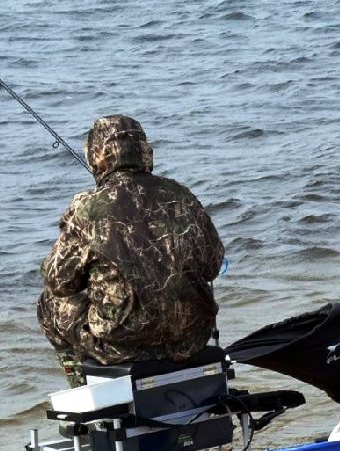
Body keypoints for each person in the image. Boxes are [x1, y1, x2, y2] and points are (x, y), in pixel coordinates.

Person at [37, 114, 224, 387]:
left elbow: (59, 282)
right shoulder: (181, 195)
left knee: (48, 304)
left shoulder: (88, 207)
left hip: (124, 345)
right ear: (144, 152)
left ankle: (84, 395)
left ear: (97, 157)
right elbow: (213, 265)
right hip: (191, 338)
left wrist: (73, 223)